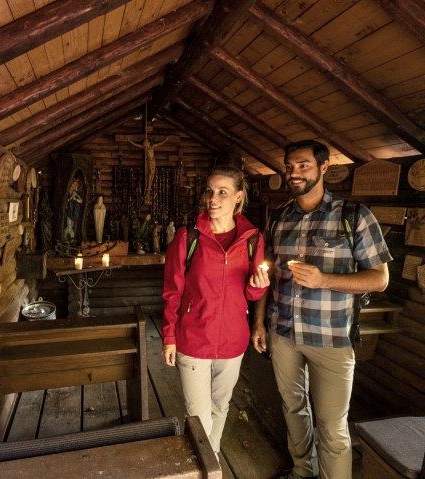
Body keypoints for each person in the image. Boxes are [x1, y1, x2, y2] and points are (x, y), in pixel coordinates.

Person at [251, 140, 392, 479]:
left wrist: (324, 280)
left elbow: (380, 279)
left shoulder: (354, 216)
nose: (294, 173)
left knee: (332, 426)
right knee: (293, 409)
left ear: (324, 167)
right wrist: (259, 324)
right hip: (282, 332)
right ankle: (303, 471)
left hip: (330, 339)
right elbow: (267, 278)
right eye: (289, 166)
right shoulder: (279, 218)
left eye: (302, 165)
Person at [162, 165, 270, 457]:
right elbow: (172, 292)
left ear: (238, 197)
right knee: (198, 417)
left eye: (222, 192)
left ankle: (210, 461)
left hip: (233, 341)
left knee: (221, 407)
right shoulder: (188, 237)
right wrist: (169, 336)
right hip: (193, 339)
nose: (213, 198)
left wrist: (259, 287)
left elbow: (251, 293)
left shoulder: (252, 240)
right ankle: (208, 468)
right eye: (210, 191)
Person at [128, 135, 169, 204]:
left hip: (153, 162)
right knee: (149, 175)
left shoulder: (152, 147)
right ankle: (148, 190)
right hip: (149, 162)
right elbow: (137, 145)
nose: (144, 143)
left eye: (145, 142)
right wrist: (130, 141)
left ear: (148, 142)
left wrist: (166, 139)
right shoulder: (145, 148)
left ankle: (149, 188)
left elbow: (160, 143)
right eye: (144, 142)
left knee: (151, 175)